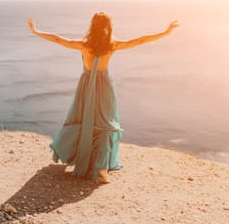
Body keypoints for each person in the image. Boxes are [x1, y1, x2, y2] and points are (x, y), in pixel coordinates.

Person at [27, 12, 180, 183]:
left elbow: (58, 39)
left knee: (83, 120)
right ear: (108, 27)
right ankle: (101, 169)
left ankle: (77, 156)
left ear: (92, 26)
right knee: (105, 122)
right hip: (104, 86)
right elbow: (140, 40)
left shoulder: (84, 45)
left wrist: (36, 31)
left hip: (86, 86)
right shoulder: (112, 45)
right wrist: (166, 33)